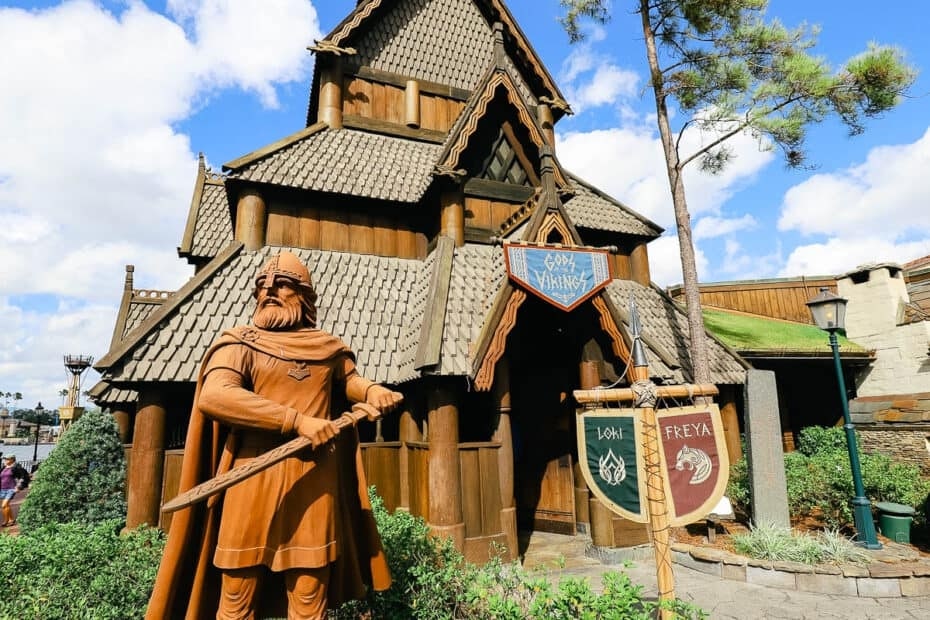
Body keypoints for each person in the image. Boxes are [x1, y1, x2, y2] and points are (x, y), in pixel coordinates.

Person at [146, 251, 403, 619]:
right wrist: (297, 421)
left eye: (281, 285)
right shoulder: (239, 343)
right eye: (262, 287)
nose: (269, 292)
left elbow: (349, 381)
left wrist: (373, 390)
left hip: (314, 484)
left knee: (309, 598)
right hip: (250, 478)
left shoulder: (327, 347)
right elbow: (215, 395)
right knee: (236, 600)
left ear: (304, 296)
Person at [1, 454, 29, 526]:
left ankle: (6, 521)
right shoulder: (4, 467)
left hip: (11, 489)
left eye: (7, 459)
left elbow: (24, 476)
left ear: (12, 460)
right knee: (6, 505)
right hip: (2, 489)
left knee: (4, 505)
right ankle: (12, 519)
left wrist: (19, 487)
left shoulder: (16, 467)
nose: (5, 460)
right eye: (5, 459)